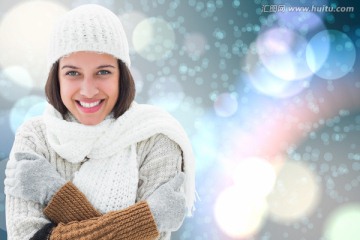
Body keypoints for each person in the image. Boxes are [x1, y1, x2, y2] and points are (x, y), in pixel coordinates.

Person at [4, 4, 195, 240]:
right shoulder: (35, 136)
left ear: (121, 75)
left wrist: (52, 192)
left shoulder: (156, 138)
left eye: (103, 72)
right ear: (56, 77)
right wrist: (149, 217)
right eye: (73, 73)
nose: (88, 90)